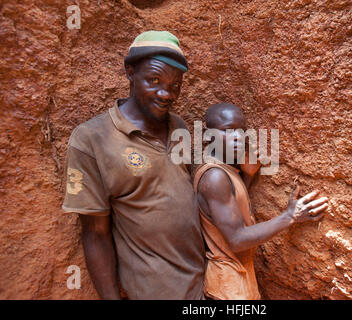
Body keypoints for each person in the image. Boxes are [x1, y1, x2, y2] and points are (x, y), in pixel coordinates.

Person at [62, 31, 205, 299]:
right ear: (130, 72)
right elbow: (95, 234)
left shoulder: (179, 127)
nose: (166, 94)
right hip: (154, 291)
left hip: (204, 284)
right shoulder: (91, 139)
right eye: (154, 80)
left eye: (175, 85)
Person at [193, 103, 329, 300]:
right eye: (228, 131)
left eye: (241, 131)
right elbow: (237, 239)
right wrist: (289, 216)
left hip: (236, 281)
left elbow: (229, 214)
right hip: (227, 289)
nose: (238, 137)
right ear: (206, 135)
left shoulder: (223, 170)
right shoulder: (214, 176)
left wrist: (246, 177)